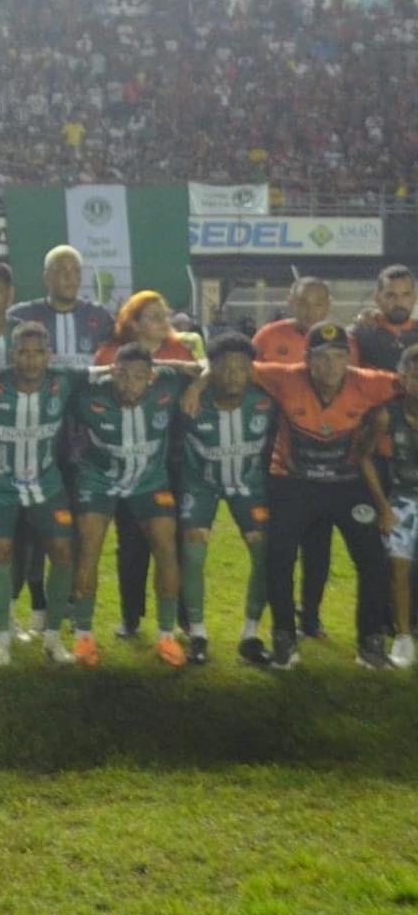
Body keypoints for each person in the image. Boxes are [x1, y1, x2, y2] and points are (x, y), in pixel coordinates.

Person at [231, 321, 402, 669]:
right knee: (279, 557)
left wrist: (384, 417)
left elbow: (407, 383)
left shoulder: (368, 382)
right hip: (294, 484)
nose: (330, 366)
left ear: (350, 358)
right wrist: (197, 384)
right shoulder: (285, 377)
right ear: (307, 358)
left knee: (372, 558)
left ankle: (370, 643)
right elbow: (231, 366)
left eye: (339, 357)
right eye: (322, 358)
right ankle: (284, 638)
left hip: (347, 483)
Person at [6, 245, 115, 643]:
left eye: (75, 270)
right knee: (27, 531)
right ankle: (33, 602)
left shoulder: (100, 319)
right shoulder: (21, 317)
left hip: (85, 440)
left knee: (74, 528)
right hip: (35, 435)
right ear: (46, 277)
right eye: (61, 270)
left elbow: (114, 369)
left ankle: (68, 601)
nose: (70, 277)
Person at [69, 344, 195, 669]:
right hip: (97, 480)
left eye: (139, 377)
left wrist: (198, 384)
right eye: (122, 375)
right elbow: (54, 380)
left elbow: (208, 367)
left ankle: (166, 635)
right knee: (88, 549)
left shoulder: (167, 382)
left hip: (149, 483)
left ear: (151, 378)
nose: (129, 384)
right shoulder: (89, 393)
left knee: (167, 547)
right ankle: (83, 635)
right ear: (112, 372)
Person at [0, 321, 81, 666]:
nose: (31, 361)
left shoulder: (65, 379)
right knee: (1, 552)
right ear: (11, 354)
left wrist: (196, 374)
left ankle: (52, 639)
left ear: (49, 355)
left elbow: (114, 369)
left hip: (47, 484)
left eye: (38, 354)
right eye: (23, 353)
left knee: (63, 551)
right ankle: (1, 640)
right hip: (1, 486)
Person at [252, 275, 355, 636]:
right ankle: (276, 616)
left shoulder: (346, 342)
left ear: (328, 307)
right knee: (280, 539)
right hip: (276, 450)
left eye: (318, 303)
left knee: (319, 543)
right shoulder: (268, 337)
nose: (310, 310)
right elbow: (245, 375)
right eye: (303, 302)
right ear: (290, 302)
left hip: (325, 453)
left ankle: (310, 615)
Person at [94, 290, 196, 639]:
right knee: (131, 541)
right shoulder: (111, 353)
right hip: (122, 462)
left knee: (175, 540)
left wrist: (191, 381)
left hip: (171, 460)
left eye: (165, 314)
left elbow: (201, 372)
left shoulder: (179, 350)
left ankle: (181, 616)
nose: (164, 322)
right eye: (154, 316)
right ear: (133, 322)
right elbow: (91, 384)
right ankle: (131, 617)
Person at [174, 334, 276, 667]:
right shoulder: (190, 401)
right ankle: (198, 634)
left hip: (248, 483)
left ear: (251, 371)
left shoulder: (266, 398)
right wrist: (197, 384)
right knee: (193, 552)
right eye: (225, 368)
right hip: (200, 483)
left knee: (264, 552)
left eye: (241, 369)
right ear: (212, 370)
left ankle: (250, 634)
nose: (233, 375)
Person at [358, 344, 418, 668]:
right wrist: (383, 507)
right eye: (415, 374)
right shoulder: (386, 414)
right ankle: (404, 637)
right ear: (402, 376)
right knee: (399, 566)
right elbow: (364, 456)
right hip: (403, 500)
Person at [352, 264, 418, 372]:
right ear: (377, 297)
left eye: (406, 294)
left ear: (415, 297)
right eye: (391, 295)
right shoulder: (359, 335)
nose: (399, 302)